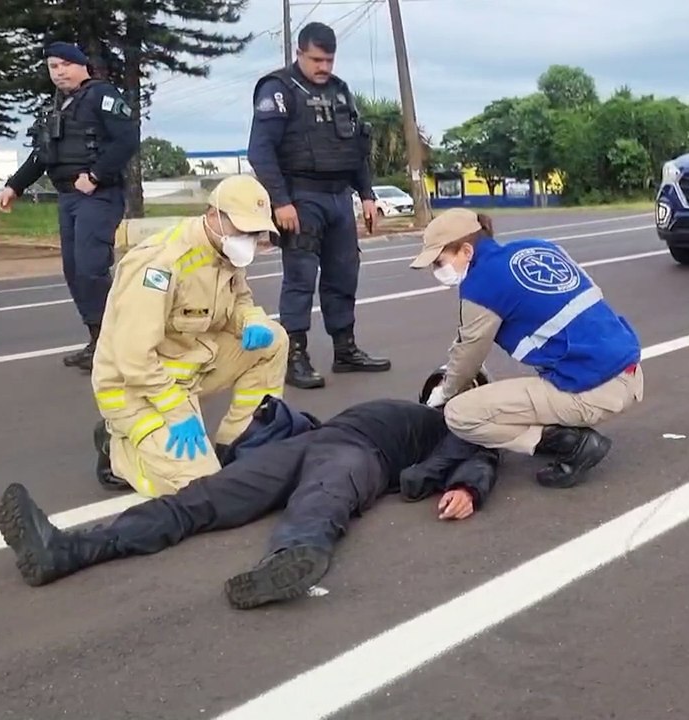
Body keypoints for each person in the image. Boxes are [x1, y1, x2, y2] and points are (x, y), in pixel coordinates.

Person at [0, 399, 500, 610]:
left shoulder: (463, 431)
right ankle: (66, 550)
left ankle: (289, 563)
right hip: (315, 441)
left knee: (323, 500)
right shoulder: (419, 408)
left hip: (359, 455)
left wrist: (468, 489)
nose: (442, 392)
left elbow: (476, 462)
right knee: (200, 498)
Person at [410, 208, 646, 489]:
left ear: (466, 251)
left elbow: (468, 358)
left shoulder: (480, 285)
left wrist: (444, 394)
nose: (437, 271)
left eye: (439, 262)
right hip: (628, 370)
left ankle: (572, 443)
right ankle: (565, 428)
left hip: (592, 391)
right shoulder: (539, 246)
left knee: (460, 414)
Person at [90, 174, 290, 497]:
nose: (249, 239)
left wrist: (250, 320)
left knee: (274, 339)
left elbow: (240, 300)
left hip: (188, 367)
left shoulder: (224, 251)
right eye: (243, 229)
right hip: (138, 388)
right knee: (200, 488)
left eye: (255, 232)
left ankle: (240, 440)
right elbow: (133, 357)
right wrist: (178, 412)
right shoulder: (159, 265)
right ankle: (118, 452)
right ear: (213, 216)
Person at [246, 20, 390, 390]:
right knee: (300, 279)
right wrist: (281, 201)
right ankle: (294, 356)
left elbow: (355, 150)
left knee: (344, 275)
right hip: (300, 197)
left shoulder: (341, 92)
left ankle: (345, 350)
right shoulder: (279, 90)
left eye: (329, 60)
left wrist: (368, 195)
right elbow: (261, 152)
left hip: (340, 197)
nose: (324, 67)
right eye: (316, 60)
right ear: (299, 53)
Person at [0, 42, 140, 372]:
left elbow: (127, 139)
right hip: (69, 198)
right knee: (75, 272)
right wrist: (15, 185)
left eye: (64, 64)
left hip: (98, 196)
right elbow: (43, 154)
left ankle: (119, 343)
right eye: (52, 67)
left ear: (80, 65)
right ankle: (99, 340)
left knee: (91, 268)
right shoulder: (60, 106)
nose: (58, 72)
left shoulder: (102, 95)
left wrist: (96, 175)